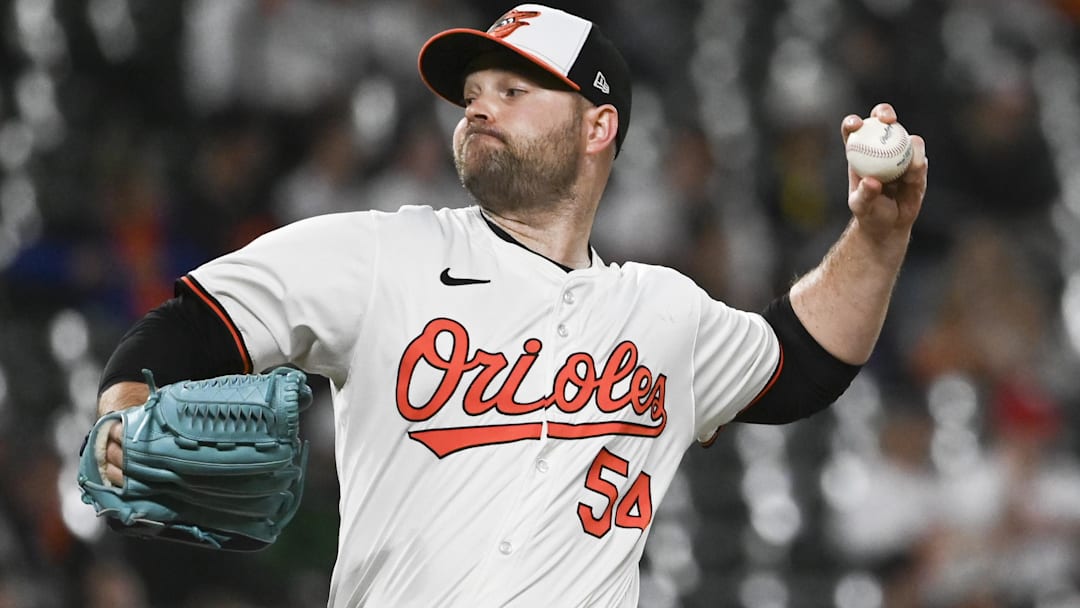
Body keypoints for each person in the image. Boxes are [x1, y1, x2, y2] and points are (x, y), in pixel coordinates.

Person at [92, 4, 928, 606]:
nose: (480, 104)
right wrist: (125, 406)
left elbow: (801, 365)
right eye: (475, 92)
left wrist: (879, 239)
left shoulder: (663, 310)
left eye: (516, 89)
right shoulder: (385, 250)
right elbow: (194, 325)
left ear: (599, 127)